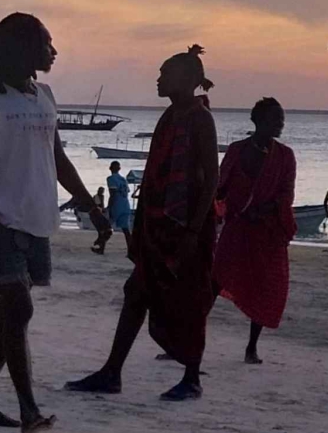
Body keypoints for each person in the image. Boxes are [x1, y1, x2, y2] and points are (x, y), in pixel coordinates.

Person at [0, 12, 109, 433]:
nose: (53, 51)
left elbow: (58, 159)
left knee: (8, 313)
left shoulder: (44, 95)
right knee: (19, 307)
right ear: (21, 48)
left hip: (37, 219)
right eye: (46, 43)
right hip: (0, 221)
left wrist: (92, 209)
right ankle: (28, 409)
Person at [66, 46, 220, 402]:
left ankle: (191, 377)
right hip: (158, 225)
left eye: (165, 73)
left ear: (186, 79)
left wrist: (193, 231)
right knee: (137, 292)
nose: (158, 79)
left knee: (189, 298)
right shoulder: (170, 116)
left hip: (187, 226)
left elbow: (211, 179)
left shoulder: (200, 119)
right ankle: (112, 371)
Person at [213, 97, 296, 365]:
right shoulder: (237, 150)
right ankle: (187, 337)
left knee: (265, 285)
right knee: (215, 280)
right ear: (258, 120)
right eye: (275, 118)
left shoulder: (285, 156)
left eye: (282, 119)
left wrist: (263, 209)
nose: (280, 123)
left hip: (267, 230)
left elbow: (286, 194)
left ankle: (251, 347)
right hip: (237, 227)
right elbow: (221, 186)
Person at [96, 161, 133, 255]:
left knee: (106, 227)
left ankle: (101, 248)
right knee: (126, 230)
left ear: (110, 168)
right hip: (126, 205)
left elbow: (113, 194)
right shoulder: (123, 179)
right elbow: (127, 191)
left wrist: (109, 207)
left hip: (117, 205)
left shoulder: (111, 179)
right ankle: (131, 251)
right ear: (119, 169)